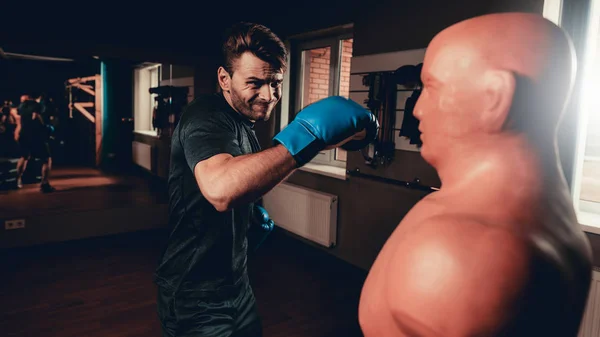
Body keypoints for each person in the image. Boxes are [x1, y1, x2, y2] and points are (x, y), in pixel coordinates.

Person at [358, 13, 593, 337]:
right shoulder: (558, 229)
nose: (416, 109)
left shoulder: (466, 251)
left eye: (432, 87)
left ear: (494, 97)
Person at [154, 22, 377, 337]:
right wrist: (308, 136)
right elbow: (220, 189)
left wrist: (245, 222)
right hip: (194, 292)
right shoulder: (204, 117)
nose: (268, 95)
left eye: (276, 83)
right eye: (254, 83)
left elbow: (249, 171)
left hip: (237, 282)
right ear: (224, 79)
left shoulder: (242, 122)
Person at [11, 94, 55, 192]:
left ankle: (16, 180)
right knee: (46, 159)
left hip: (23, 135)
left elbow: (19, 121)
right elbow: (35, 116)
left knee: (24, 157)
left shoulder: (21, 106)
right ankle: (44, 184)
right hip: (36, 135)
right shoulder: (36, 105)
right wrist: (44, 127)